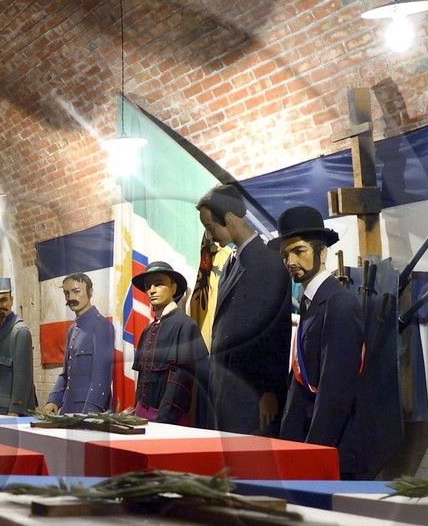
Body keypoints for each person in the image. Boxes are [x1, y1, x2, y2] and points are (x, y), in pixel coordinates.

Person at [271, 206, 367, 473]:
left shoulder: (339, 304)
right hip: (303, 438)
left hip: (327, 445)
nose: (290, 261)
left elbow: (335, 391)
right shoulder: (311, 303)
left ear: (322, 251)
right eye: (285, 254)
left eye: (299, 251)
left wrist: (313, 453)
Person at [196, 184, 292, 435]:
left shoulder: (268, 262)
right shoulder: (231, 262)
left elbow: (276, 330)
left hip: (253, 394)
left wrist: (270, 389)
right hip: (225, 389)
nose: (209, 236)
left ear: (228, 218)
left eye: (209, 226)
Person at [129, 261, 208, 424]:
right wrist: (136, 412)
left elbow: (181, 382)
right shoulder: (148, 330)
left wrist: (163, 421)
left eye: (158, 284)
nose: (152, 290)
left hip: (169, 419)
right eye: (148, 286)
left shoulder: (185, 325)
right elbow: (142, 377)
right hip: (141, 415)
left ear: (173, 288)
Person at [41, 273, 116, 414]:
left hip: (90, 411)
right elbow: (65, 374)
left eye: (76, 291)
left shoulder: (101, 327)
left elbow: (102, 378)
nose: (70, 298)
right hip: (69, 409)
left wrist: (90, 412)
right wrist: (53, 400)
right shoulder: (72, 330)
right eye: (66, 293)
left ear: (90, 292)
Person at [0, 276, 36, 414]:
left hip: (11, 412)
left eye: (4, 300)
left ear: (11, 300)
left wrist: (16, 409)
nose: (0, 306)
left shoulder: (20, 332)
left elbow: (23, 377)